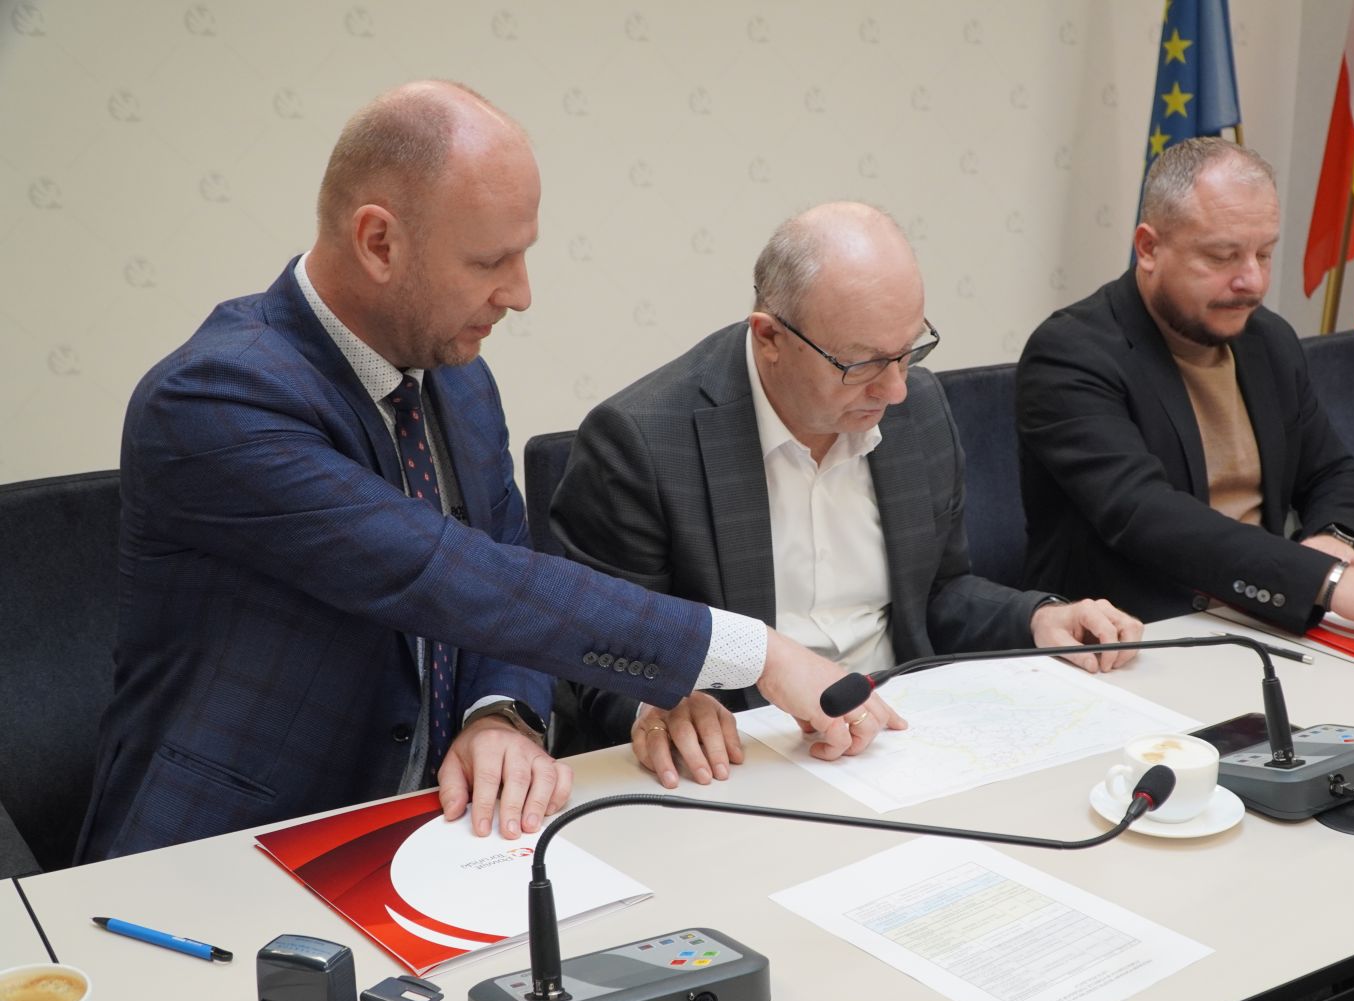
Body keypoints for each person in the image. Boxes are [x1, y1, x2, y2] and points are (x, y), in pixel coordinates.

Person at [78, 82, 894, 862]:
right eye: (489, 261)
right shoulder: (217, 398)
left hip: (437, 839)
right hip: (228, 848)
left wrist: (498, 713)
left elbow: (512, 565)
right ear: (378, 242)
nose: (521, 293)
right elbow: (453, 576)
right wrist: (759, 652)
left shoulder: (458, 378)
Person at [550, 202, 1144, 787]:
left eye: (910, 351)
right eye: (862, 364)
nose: (896, 389)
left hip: (903, 738)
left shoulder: (918, 409)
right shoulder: (644, 442)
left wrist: (1038, 617)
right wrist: (663, 703)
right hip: (750, 757)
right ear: (770, 337)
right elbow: (598, 649)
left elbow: (938, 592)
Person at [1016, 137, 1354, 659]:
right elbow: (1146, 515)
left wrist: (1334, 542)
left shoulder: (1267, 339)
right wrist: (1325, 579)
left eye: (1264, 253)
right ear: (1149, 248)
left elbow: (1332, 472)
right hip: (1136, 637)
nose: (1252, 280)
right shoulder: (1071, 353)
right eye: (1223, 256)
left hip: (1271, 615)